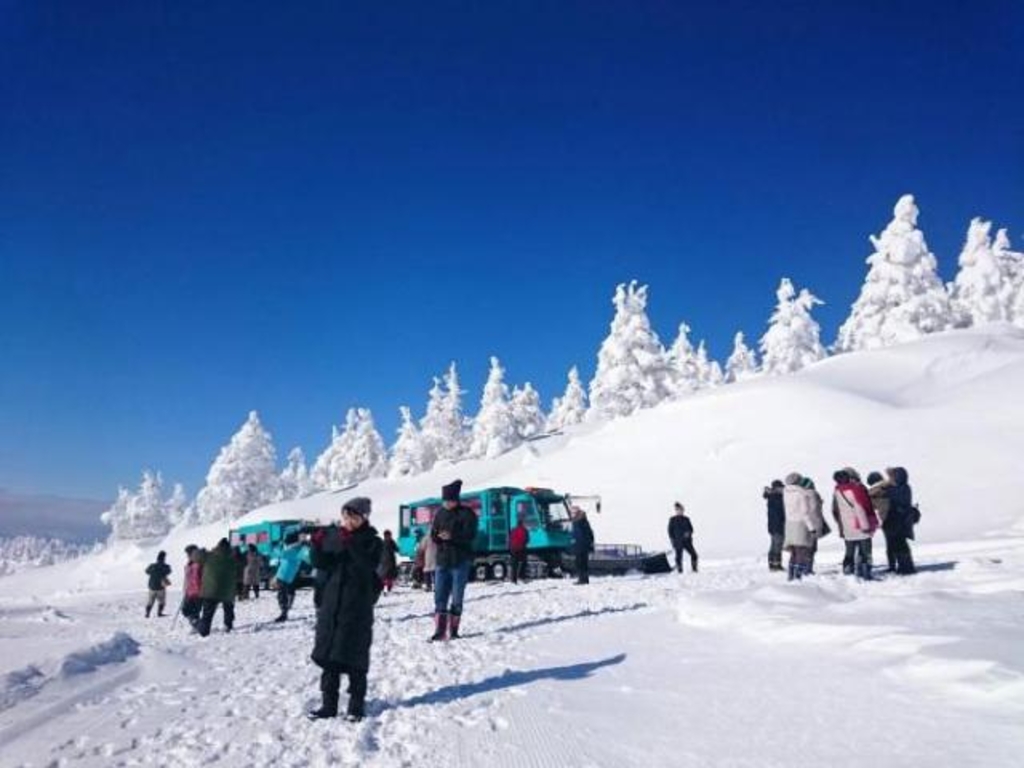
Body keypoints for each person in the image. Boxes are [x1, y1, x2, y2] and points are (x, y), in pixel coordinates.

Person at [308, 497, 383, 722]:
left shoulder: (373, 541)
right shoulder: (336, 537)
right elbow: (321, 564)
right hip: (332, 606)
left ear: (364, 518)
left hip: (357, 607)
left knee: (355, 659)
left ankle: (356, 707)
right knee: (330, 658)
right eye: (346, 516)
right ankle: (328, 705)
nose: (348, 521)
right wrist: (316, 546)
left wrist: (350, 543)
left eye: (353, 517)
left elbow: (367, 566)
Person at [430, 479, 478, 641]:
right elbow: (433, 534)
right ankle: (440, 631)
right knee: (439, 597)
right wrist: (437, 537)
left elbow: (470, 536)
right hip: (442, 560)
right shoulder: (440, 513)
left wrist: (452, 537)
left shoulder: (467, 514)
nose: (445, 503)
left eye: (448, 500)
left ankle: (454, 631)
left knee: (457, 597)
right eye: (444, 500)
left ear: (455, 499)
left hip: (460, 560)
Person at [832, 469, 878, 580]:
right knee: (866, 550)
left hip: (847, 526)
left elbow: (835, 510)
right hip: (860, 524)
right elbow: (860, 509)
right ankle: (865, 572)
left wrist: (841, 525)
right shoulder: (856, 489)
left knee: (849, 551)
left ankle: (848, 571)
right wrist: (866, 526)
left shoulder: (837, 491)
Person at [198, 539, 241, 636]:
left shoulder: (209, 556)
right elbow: (241, 567)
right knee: (228, 608)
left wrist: (202, 551)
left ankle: (204, 631)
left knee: (207, 613)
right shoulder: (232, 559)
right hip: (228, 590)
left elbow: (196, 557)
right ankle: (228, 625)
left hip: (211, 590)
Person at [883, 467, 917, 575]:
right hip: (901, 521)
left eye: (894, 476)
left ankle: (906, 568)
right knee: (900, 545)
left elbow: (889, 496)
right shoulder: (905, 487)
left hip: (897, 521)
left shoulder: (897, 489)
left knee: (899, 545)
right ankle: (905, 566)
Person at [782, 474, 816, 580]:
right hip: (800, 525)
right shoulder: (801, 494)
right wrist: (812, 528)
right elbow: (805, 513)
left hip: (789, 525)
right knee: (801, 552)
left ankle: (791, 575)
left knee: (793, 553)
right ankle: (797, 576)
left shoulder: (785, 492)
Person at [866, 471, 896, 572]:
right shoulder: (892, 487)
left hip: (887, 520)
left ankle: (892, 566)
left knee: (890, 544)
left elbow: (869, 506)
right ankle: (903, 564)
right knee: (899, 543)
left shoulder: (873, 494)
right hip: (899, 519)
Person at [273, 532, 305, 622]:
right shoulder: (295, 549)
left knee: (282, 595)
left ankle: (284, 613)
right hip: (285, 575)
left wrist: (276, 546)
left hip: (285, 576)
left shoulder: (294, 550)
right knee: (283, 594)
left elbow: (280, 553)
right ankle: (284, 611)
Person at [800, 477, 827, 573]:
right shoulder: (813, 494)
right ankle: (808, 569)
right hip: (814, 523)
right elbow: (815, 510)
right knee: (811, 548)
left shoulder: (800, 495)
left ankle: (803, 567)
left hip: (803, 524)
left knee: (805, 548)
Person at [667, 502, 698, 573]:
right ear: (676, 510)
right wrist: (672, 541)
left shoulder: (686, 519)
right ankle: (680, 570)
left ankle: (694, 569)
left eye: (681, 510)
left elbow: (691, 529)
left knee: (694, 555)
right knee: (678, 557)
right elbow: (670, 531)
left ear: (683, 510)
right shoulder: (672, 520)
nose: (679, 511)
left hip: (687, 541)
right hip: (678, 542)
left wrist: (688, 533)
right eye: (677, 510)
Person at [763, 481, 786, 572]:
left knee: (773, 545)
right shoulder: (777, 498)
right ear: (776, 488)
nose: (783, 489)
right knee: (777, 545)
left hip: (772, 526)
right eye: (781, 487)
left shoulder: (771, 497)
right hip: (778, 526)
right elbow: (780, 514)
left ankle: (772, 564)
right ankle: (776, 565)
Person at [570, 506, 595, 585]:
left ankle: (582, 579)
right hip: (580, 545)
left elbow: (587, 534)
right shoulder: (581, 521)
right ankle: (584, 579)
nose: (572, 514)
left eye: (573, 512)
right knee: (581, 563)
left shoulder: (580, 521)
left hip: (581, 545)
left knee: (580, 563)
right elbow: (590, 534)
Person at [182, 545, 204, 629]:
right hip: (189, 591)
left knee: (195, 611)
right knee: (185, 610)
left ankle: (197, 626)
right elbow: (187, 578)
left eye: (188, 554)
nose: (187, 556)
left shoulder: (200, 563)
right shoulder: (189, 564)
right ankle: (197, 624)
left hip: (199, 591)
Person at [144, 551, 172, 617]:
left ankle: (147, 613)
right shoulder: (165, 566)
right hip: (160, 587)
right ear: (164, 558)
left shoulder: (152, 566)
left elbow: (146, 571)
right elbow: (169, 571)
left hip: (151, 586)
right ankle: (159, 613)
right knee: (162, 601)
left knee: (150, 601)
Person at [509, 518, 530, 584]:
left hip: (513, 549)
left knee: (514, 565)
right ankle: (521, 577)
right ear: (522, 524)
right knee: (523, 563)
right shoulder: (525, 530)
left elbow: (510, 538)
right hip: (521, 549)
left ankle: (513, 580)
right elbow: (527, 539)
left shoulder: (513, 530)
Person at [379, 530, 399, 594]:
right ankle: (387, 588)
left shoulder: (382, 542)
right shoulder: (391, 542)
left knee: (385, 576)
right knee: (389, 576)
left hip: (384, 562)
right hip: (390, 561)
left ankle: (384, 588)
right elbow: (397, 549)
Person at [420, 527, 437, 592]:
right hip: (436, 556)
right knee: (435, 572)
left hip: (428, 556)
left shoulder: (426, 538)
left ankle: (428, 586)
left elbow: (422, 547)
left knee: (427, 572)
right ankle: (436, 586)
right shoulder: (437, 537)